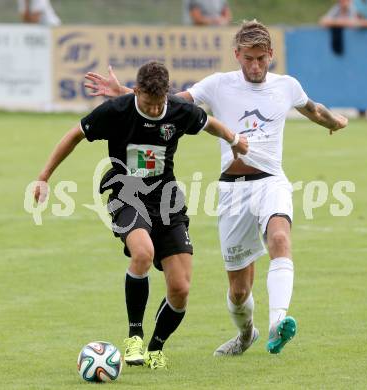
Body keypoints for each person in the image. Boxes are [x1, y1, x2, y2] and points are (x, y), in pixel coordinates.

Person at [84, 20, 348, 357]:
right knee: (239, 292)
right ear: (236, 54)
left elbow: (312, 108)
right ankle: (245, 334)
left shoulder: (287, 86)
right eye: (248, 58)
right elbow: (170, 104)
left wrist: (336, 122)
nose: (255, 65)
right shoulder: (218, 85)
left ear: (271, 55)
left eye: (261, 59)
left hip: (271, 182)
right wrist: (124, 93)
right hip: (233, 192)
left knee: (280, 239)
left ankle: (277, 323)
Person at [34, 61, 248, 369]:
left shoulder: (177, 110)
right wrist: (44, 176)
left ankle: (155, 349)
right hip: (126, 194)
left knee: (181, 288)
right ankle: (134, 335)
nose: (154, 108)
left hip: (167, 202)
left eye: (160, 102)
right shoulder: (116, 111)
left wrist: (234, 139)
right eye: (148, 103)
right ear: (136, 92)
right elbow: (74, 135)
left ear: (166, 94)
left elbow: (208, 123)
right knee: (143, 253)